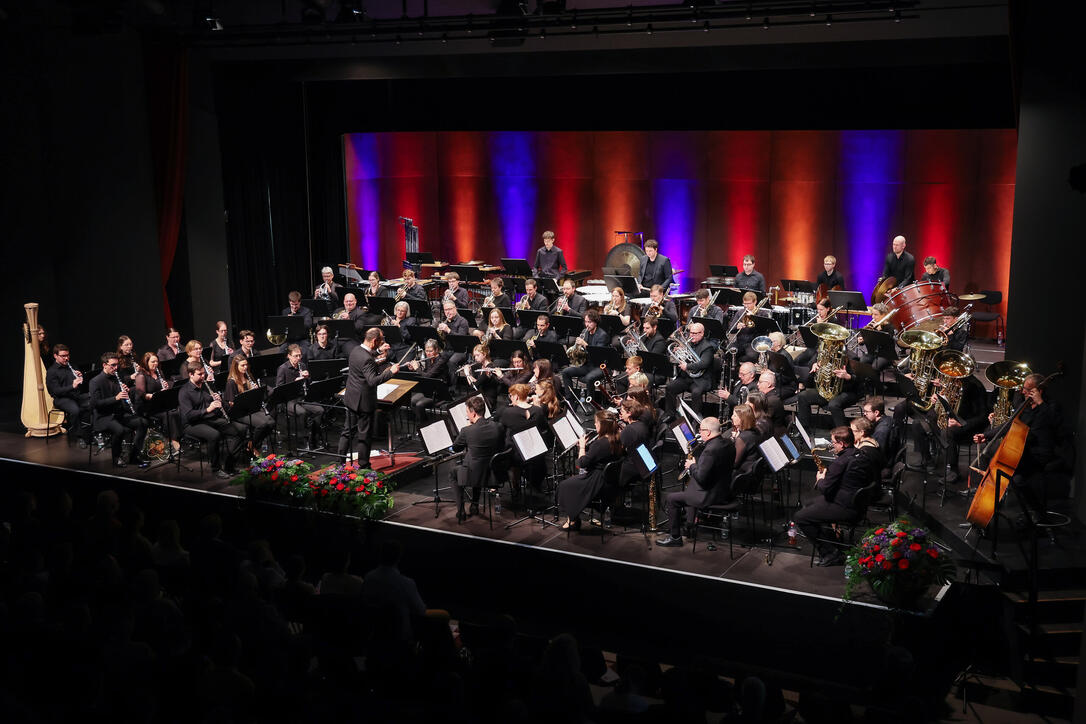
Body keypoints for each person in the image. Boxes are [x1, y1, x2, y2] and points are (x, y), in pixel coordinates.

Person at [794, 426, 871, 566]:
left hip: (845, 507)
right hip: (856, 503)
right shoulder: (860, 453)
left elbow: (825, 488)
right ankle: (832, 538)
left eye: (833, 443)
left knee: (800, 517)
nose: (832, 446)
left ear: (842, 443)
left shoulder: (841, 462)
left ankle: (830, 552)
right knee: (809, 505)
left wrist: (821, 478)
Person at [655, 417, 736, 547]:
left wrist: (692, 466)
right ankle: (689, 523)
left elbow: (701, 478)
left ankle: (675, 537)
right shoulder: (728, 443)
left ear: (708, 432)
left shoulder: (710, 450)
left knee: (671, 498)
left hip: (709, 495)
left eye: (701, 430)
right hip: (723, 489)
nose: (699, 433)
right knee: (690, 486)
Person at [339, 328, 400, 461]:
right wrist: (391, 372)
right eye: (380, 340)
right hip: (364, 402)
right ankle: (364, 465)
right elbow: (372, 381)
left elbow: (367, 355)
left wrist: (378, 351)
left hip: (351, 398)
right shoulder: (367, 359)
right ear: (374, 341)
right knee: (364, 435)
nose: (382, 342)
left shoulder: (356, 350)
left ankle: (340, 460)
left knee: (347, 432)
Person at [178, 363, 247, 478]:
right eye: (199, 374)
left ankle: (229, 465)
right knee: (214, 435)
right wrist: (208, 409)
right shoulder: (184, 392)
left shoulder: (207, 385)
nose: (203, 376)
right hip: (192, 424)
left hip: (210, 419)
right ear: (190, 374)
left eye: (203, 373)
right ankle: (216, 469)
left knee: (241, 430)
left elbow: (221, 405)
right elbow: (189, 415)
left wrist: (220, 400)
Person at [557, 410, 622, 530]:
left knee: (565, 485)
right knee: (572, 483)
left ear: (603, 425)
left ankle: (572, 520)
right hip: (609, 480)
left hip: (597, 481)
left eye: (596, 423)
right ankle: (573, 518)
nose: (595, 425)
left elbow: (582, 463)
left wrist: (582, 447)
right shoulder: (617, 438)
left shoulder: (600, 444)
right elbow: (598, 456)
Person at [360, 541, 428, 646]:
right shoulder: (406, 583)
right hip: (400, 640)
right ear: (399, 558)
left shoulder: (368, 578)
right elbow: (421, 611)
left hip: (373, 637)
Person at [450, 395, 506, 522]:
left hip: (475, 474)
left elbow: (456, 448)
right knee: (475, 459)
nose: (467, 415)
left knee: (453, 473)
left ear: (473, 413)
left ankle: (461, 511)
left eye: (467, 412)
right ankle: (474, 505)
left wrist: (466, 429)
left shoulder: (467, 431)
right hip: (493, 473)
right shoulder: (498, 427)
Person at [90, 352, 148, 468]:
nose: (115, 368)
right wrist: (116, 398)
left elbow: (121, 396)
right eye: (112, 365)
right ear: (104, 365)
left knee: (143, 423)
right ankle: (116, 458)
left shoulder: (117, 377)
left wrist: (127, 392)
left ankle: (134, 456)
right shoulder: (95, 381)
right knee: (120, 430)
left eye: (117, 365)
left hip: (118, 413)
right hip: (103, 416)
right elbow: (96, 404)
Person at [495, 383, 547, 497]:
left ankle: (515, 485)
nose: (510, 398)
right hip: (535, 450)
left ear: (516, 397)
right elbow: (543, 428)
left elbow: (500, 430)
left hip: (517, 454)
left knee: (508, 439)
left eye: (511, 396)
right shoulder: (538, 411)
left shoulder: (508, 412)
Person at [223, 355, 275, 457]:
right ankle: (252, 445)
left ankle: (252, 444)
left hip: (251, 409)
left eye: (246, 365)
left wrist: (256, 391)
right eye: (242, 365)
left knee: (271, 422)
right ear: (235, 367)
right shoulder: (231, 382)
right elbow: (231, 404)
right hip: (239, 413)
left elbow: (258, 398)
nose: (245, 367)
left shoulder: (248, 376)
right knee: (262, 424)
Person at [795, 353, 861, 431]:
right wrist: (814, 370)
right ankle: (804, 431)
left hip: (847, 392)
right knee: (803, 396)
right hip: (828, 391)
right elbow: (808, 383)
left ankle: (843, 434)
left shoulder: (851, 357)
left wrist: (848, 377)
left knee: (833, 404)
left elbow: (860, 381)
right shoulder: (821, 356)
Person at [276, 344, 323, 449]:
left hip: (302, 398)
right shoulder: (283, 369)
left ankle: (314, 438)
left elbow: (309, 384)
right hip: (288, 400)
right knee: (302, 412)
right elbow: (279, 389)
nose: (298, 358)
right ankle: (303, 441)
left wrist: (307, 378)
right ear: (289, 356)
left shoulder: (302, 366)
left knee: (319, 410)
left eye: (299, 356)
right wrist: (295, 382)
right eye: (295, 356)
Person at [664, 322, 715, 415]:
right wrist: (679, 351)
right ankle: (669, 413)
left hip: (701, 379)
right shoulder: (689, 343)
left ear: (702, 333)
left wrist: (687, 366)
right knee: (670, 387)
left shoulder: (708, 347)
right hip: (687, 377)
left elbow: (704, 363)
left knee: (696, 393)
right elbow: (687, 358)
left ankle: (695, 419)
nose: (691, 336)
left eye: (695, 333)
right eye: (691, 333)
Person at [46, 344, 91, 446]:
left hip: (75, 396)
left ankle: (91, 432)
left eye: (68, 355)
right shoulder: (51, 372)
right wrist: (72, 386)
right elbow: (54, 391)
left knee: (93, 401)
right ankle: (79, 436)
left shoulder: (72, 366)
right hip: (61, 399)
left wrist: (81, 377)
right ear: (55, 356)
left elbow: (79, 385)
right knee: (75, 410)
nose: (66, 358)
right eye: (63, 356)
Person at [561, 309, 610, 393]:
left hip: (599, 366)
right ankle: (570, 399)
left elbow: (597, 354)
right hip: (587, 365)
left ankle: (590, 403)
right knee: (566, 372)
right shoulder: (585, 331)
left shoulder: (602, 335)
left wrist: (584, 344)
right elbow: (582, 352)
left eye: (590, 322)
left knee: (589, 378)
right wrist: (577, 348)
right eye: (586, 322)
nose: (587, 325)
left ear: (596, 322)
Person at [404, 339, 448, 426]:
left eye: (430, 351)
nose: (428, 353)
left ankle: (424, 426)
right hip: (428, 390)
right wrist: (414, 369)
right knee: (412, 401)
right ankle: (424, 422)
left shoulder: (441, 361)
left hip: (439, 392)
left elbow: (428, 376)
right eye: (426, 351)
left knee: (420, 405)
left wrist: (417, 368)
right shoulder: (429, 359)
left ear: (436, 350)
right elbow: (424, 373)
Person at [617, 398, 652, 491]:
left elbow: (619, 450)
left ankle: (618, 495)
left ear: (629, 413)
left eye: (622, 411)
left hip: (633, 466)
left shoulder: (629, 430)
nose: (621, 414)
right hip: (644, 461)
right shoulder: (642, 424)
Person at [727, 291, 769, 363]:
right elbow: (731, 330)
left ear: (755, 302)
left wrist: (754, 319)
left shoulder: (762, 314)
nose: (746, 306)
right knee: (728, 353)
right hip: (740, 342)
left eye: (748, 303)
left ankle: (740, 366)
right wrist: (737, 327)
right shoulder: (740, 312)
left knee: (750, 357)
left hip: (753, 343)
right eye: (744, 303)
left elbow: (764, 331)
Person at [729, 404, 762, 475]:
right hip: (752, 472)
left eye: (735, 416)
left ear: (742, 419)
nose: (731, 417)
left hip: (742, 475)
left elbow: (734, 464)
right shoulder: (756, 431)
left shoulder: (743, 438)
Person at [756, 370, 789, 434]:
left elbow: (763, 423)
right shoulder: (772, 396)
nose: (757, 384)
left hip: (772, 434)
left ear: (768, 384)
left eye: (760, 382)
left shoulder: (770, 401)